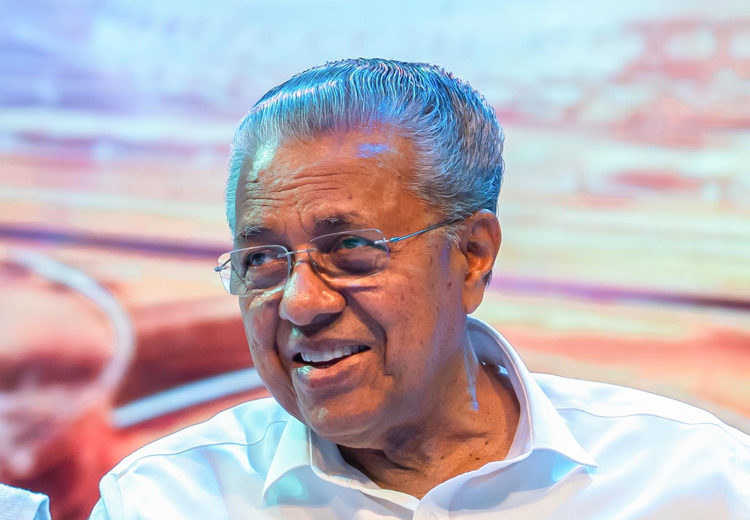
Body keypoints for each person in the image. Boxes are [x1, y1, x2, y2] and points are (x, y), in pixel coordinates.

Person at [89, 59, 749, 519]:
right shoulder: (169, 499)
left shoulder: (692, 479)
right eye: (262, 259)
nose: (300, 303)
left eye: (350, 249)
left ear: (472, 256)